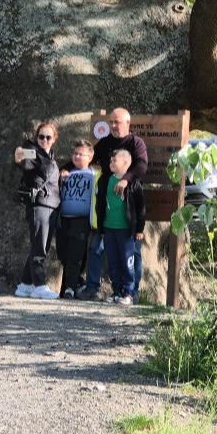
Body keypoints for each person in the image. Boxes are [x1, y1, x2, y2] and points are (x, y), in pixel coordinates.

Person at [77, 108, 149, 302]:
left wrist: (126, 180)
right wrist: (66, 169)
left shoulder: (136, 143)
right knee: (103, 251)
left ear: (127, 123)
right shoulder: (106, 143)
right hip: (107, 211)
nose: (113, 126)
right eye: (111, 122)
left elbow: (142, 165)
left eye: (117, 122)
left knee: (131, 254)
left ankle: (131, 293)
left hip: (128, 212)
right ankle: (110, 290)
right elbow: (88, 157)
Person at [13, 123, 60, 300]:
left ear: (54, 139)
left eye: (48, 137)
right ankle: (39, 285)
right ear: (36, 137)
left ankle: (25, 285)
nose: (44, 140)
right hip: (40, 205)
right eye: (41, 137)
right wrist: (19, 155)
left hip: (52, 205)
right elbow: (22, 160)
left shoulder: (51, 156)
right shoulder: (34, 152)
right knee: (39, 247)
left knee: (39, 246)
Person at [99, 149, 145, 305]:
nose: (111, 163)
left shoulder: (133, 184)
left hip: (126, 230)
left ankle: (129, 293)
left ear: (126, 163)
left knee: (127, 261)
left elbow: (140, 208)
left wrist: (139, 229)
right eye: (110, 161)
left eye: (115, 160)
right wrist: (101, 227)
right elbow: (100, 204)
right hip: (109, 228)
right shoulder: (106, 180)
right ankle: (117, 291)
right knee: (113, 262)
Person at [56, 140, 97, 298]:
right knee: (63, 253)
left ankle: (69, 289)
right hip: (63, 219)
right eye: (75, 153)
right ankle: (75, 282)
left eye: (81, 154)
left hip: (81, 220)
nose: (77, 156)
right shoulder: (66, 172)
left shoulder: (93, 174)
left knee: (75, 254)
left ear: (90, 157)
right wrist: (61, 176)